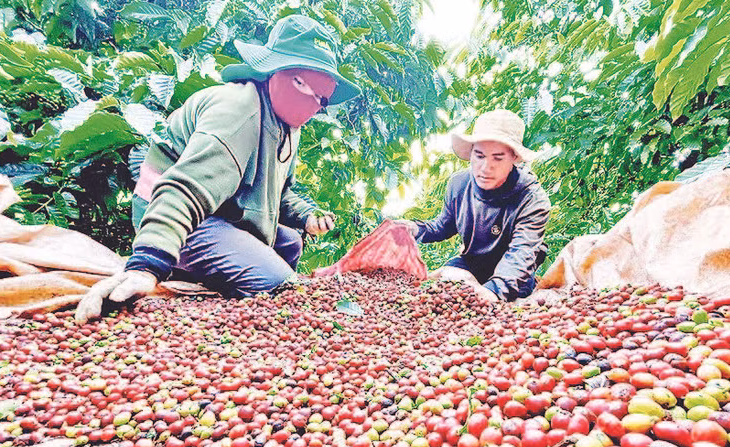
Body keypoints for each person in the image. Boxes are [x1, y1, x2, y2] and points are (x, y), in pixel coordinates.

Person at [76, 15, 360, 323]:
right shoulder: (239, 111)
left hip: (226, 213)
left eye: (322, 98)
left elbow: (279, 194)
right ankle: (182, 263)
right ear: (276, 72)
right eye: (305, 86)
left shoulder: (288, 128)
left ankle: (220, 265)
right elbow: (185, 188)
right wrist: (148, 263)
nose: (315, 104)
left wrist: (307, 215)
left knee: (290, 242)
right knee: (277, 282)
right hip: (178, 212)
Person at [397, 109, 551, 303]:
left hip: (513, 274)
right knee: (431, 293)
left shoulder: (531, 198)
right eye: (479, 156)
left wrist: (494, 291)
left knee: (504, 314)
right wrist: (414, 229)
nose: (486, 168)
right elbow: (444, 226)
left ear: (514, 158)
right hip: (472, 262)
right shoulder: (459, 184)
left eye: (497, 158)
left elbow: (522, 252)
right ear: (471, 154)